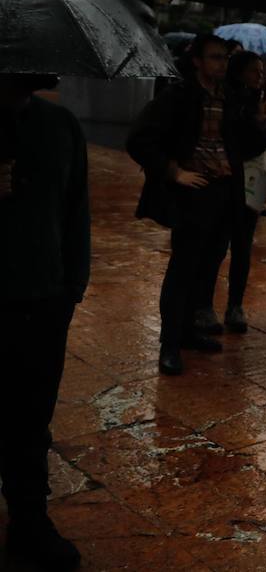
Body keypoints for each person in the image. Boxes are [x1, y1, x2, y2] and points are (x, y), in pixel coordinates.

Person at [0, 73, 87, 571]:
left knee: (31, 418)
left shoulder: (60, 125)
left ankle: (29, 520)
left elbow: (76, 209)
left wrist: (72, 286)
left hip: (43, 300)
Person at [127, 34, 243, 375]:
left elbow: (243, 145)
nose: (222, 64)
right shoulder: (178, 96)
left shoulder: (232, 98)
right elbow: (139, 140)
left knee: (207, 269)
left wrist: (265, 121)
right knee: (183, 270)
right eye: (215, 57)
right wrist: (174, 171)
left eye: (225, 58)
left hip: (225, 192)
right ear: (197, 60)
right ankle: (170, 344)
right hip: (195, 194)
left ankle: (191, 332)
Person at [210, 52, 266, 333]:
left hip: (253, 186)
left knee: (243, 247)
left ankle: (235, 305)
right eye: (254, 71)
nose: (260, 76)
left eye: (262, 71)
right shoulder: (228, 101)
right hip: (228, 181)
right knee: (217, 245)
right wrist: (256, 122)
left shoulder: (260, 100)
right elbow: (242, 143)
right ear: (240, 72)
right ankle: (204, 305)